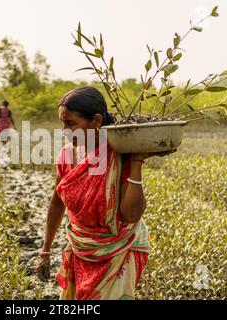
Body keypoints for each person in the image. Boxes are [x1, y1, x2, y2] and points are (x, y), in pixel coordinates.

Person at [35, 86, 154, 300]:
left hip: (120, 249)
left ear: (96, 121)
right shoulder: (67, 156)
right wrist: (45, 250)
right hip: (82, 248)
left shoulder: (119, 156)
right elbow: (56, 203)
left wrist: (136, 161)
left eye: (71, 123)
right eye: (63, 123)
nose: (65, 130)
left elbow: (131, 214)